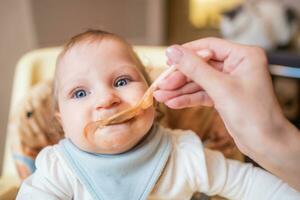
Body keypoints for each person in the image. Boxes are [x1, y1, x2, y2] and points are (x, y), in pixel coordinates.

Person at [17, 30, 300, 200]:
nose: (106, 99)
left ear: (154, 95)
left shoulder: (184, 155)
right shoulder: (58, 169)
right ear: (62, 122)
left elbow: (250, 185)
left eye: (121, 81)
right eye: (80, 93)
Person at [153, 37, 300, 191]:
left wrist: (271, 139)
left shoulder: (186, 158)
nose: (123, 100)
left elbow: (249, 184)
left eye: (124, 82)